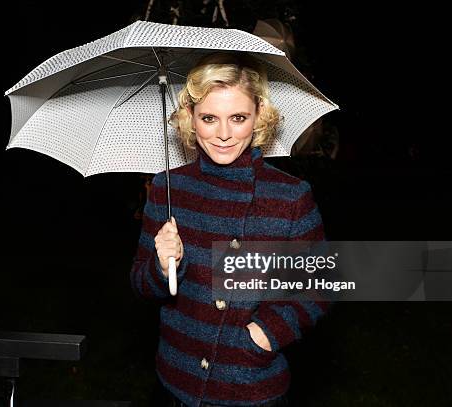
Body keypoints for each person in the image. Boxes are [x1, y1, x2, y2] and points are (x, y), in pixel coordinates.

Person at [130, 51, 329, 407]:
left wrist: (263, 336)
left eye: (238, 117)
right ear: (190, 119)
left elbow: (317, 288)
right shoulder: (167, 189)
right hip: (175, 383)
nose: (223, 134)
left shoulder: (290, 196)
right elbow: (141, 285)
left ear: (259, 117)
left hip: (250, 388)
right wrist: (161, 268)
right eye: (209, 118)